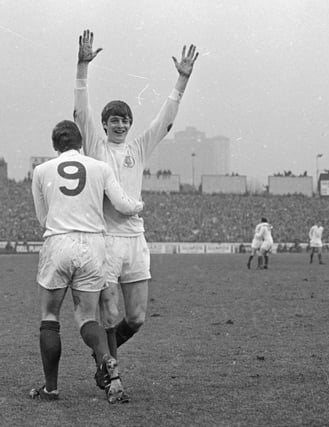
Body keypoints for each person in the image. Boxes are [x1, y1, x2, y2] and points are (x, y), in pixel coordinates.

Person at [73, 29, 199, 387]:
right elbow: (81, 111)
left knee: (137, 317)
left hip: (135, 240)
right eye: (114, 120)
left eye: (125, 120)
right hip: (107, 240)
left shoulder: (138, 149)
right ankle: (113, 376)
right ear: (105, 124)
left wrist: (181, 81)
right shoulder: (96, 148)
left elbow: (165, 121)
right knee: (110, 316)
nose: (121, 124)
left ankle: (104, 358)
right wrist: (82, 68)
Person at [29, 120, 143, 404]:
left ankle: (51, 389)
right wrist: (138, 206)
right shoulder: (100, 168)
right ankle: (106, 359)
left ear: (55, 145)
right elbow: (122, 204)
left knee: (50, 316)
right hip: (93, 245)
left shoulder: (42, 171)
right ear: (80, 143)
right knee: (87, 317)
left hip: (59, 241)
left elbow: (42, 218)